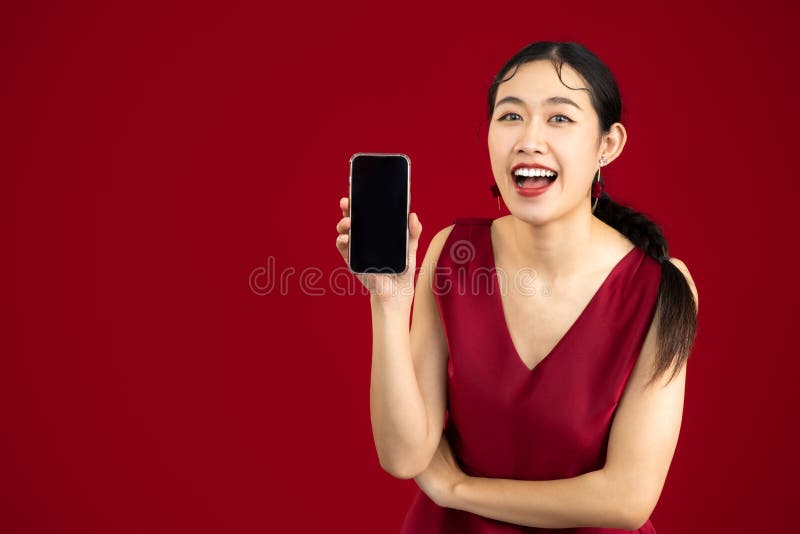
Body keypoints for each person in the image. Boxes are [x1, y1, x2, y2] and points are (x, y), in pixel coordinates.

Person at [334, 41, 698, 533]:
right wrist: (388, 301)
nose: (529, 140)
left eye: (560, 119)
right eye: (509, 117)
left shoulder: (659, 288)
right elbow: (404, 455)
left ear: (608, 144)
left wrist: (459, 490)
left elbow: (626, 499)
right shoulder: (452, 254)